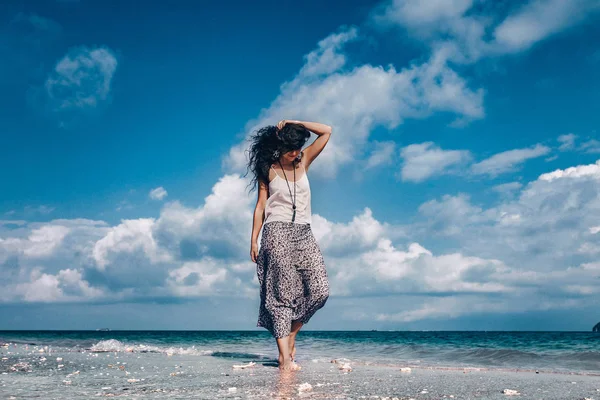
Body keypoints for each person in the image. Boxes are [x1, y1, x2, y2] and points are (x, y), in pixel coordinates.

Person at [246, 119, 332, 371]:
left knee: (320, 290)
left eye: (298, 147)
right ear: (279, 146)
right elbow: (261, 206)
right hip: (276, 232)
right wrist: (254, 238)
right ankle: (284, 357)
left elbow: (327, 130)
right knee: (281, 294)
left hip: (305, 232)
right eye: (290, 149)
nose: (295, 153)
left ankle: (291, 335)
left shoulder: (304, 160)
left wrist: (294, 122)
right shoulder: (268, 169)